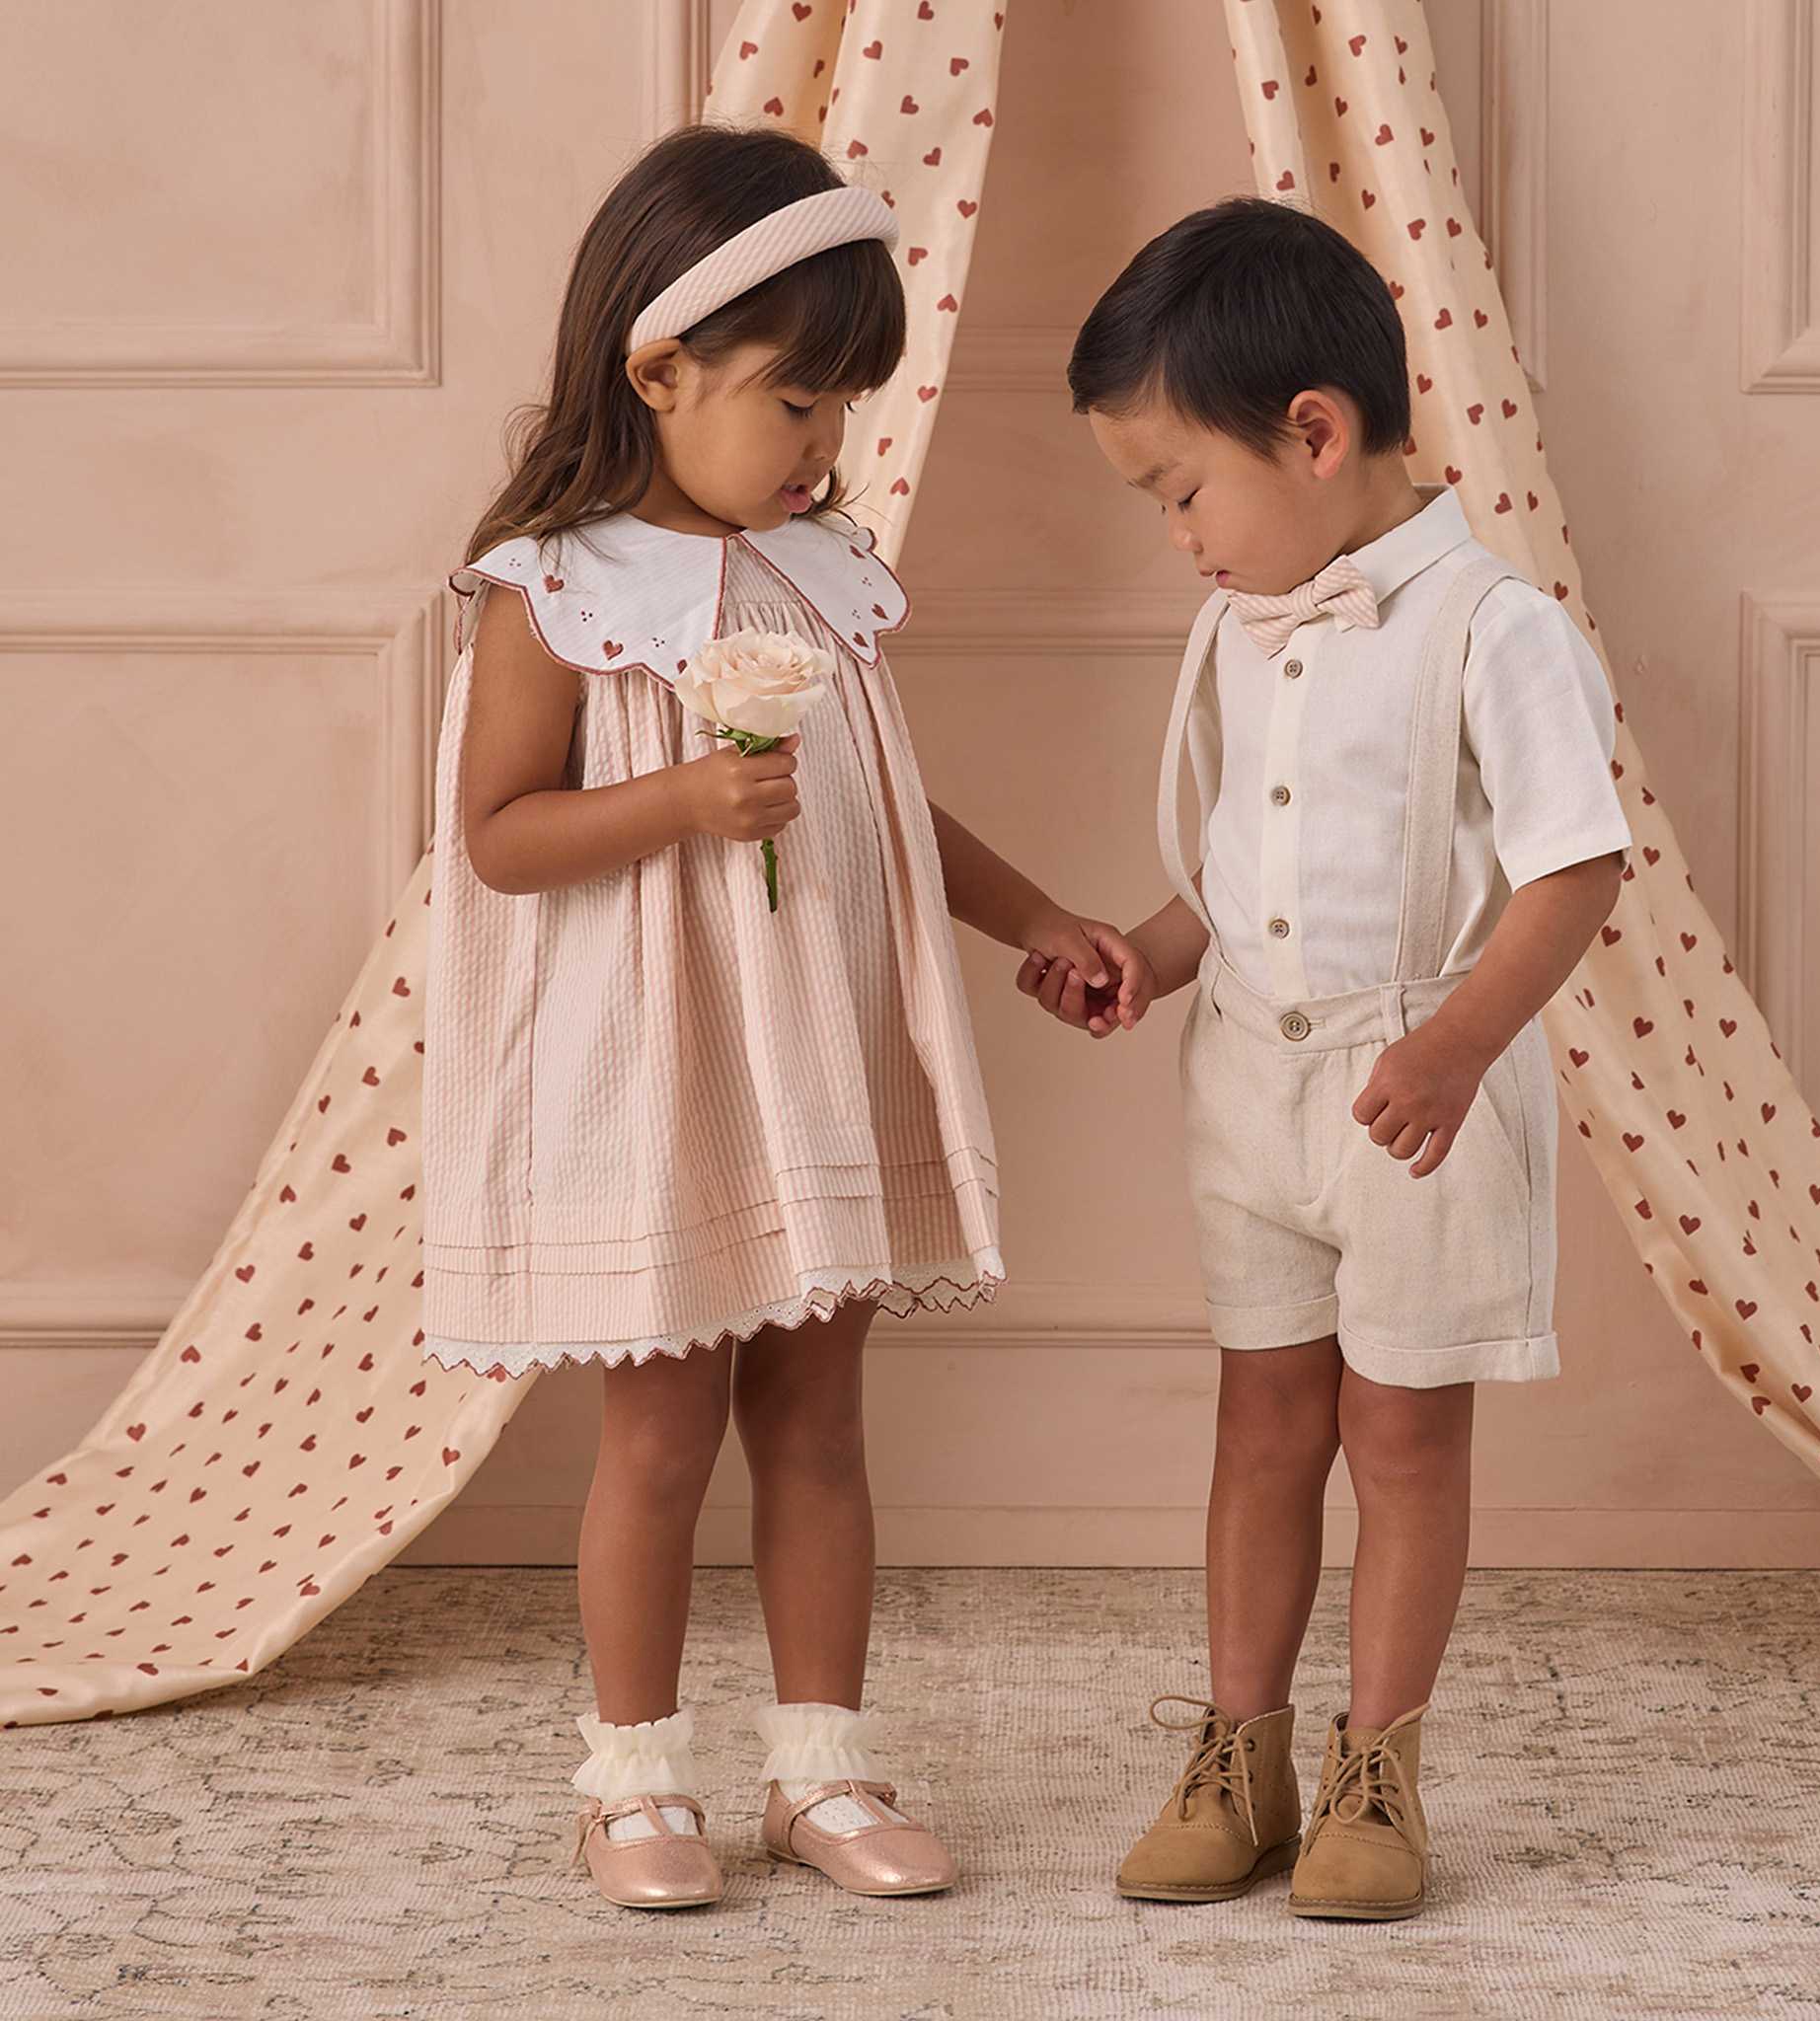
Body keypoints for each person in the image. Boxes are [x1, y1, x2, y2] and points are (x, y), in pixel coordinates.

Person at [422, 123, 1142, 1910]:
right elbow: (499, 838)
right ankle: (632, 1783)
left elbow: (882, 804)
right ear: (657, 369)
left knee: (819, 1422)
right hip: (665, 1067)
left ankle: (821, 1769)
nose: (824, 445)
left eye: (843, 410)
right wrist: (678, 800)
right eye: (795, 402)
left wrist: (1038, 915)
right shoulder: (554, 591)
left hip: (812, 1054)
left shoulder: (818, 574)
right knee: (663, 1435)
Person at [1023, 196, 1630, 1920]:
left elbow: (1575, 867)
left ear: (1313, 433)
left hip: (1419, 1088)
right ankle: (1241, 1753)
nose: (1177, 539)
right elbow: (1244, 870)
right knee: (1264, 1420)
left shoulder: (1495, 628)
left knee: (1404, 1431)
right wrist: (1149, 957)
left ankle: (1380, 1768)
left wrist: (1455, 1048)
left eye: (1180, 492)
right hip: (1250, 1085)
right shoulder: (1249, 624)